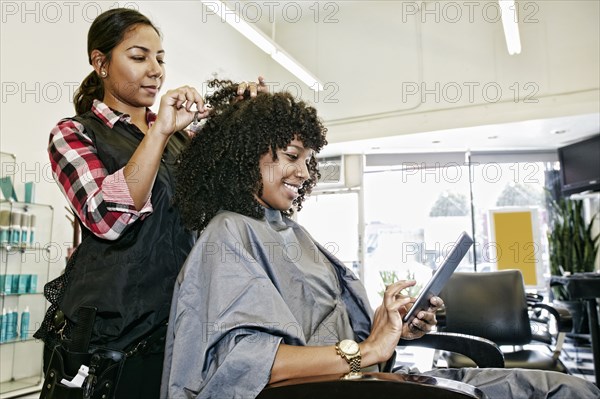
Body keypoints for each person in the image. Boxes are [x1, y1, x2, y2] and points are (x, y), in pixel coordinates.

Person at [161, 80, 600, 399]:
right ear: (244, 152)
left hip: (362, 379)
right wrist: (368, 349)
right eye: (292, 157)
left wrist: (392, 328)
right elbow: (246, 365)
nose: (302, 173)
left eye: (308, 162)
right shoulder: (229, 234)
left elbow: (331, 336)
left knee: (569, 387)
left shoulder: (288, 232)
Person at [34, 9, 266, 398]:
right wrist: (159, 129)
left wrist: (245, 120)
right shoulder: (74, 134)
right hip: (106, 342)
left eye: (160, 58)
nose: (156, 69)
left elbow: (233, 206)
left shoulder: (181, 141)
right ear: (101, 62)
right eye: (139, 57)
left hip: (175, 328)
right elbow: (107, 219)